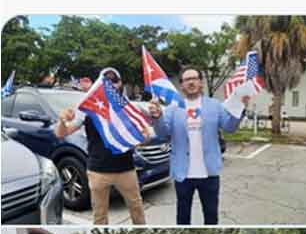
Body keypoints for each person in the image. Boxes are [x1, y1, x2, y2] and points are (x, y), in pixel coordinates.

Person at [148, 67, 251, 225]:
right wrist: (157, 118)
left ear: (201, 82)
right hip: (183, 174)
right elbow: (163, 133)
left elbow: (229, 127)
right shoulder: (173, 108)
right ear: (181, 85)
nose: (191, 82)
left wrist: (241, 108)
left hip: (209, 173)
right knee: (183, 218)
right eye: (186, 79)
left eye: (194, 78)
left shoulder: (215, 105)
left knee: (211, 216)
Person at [54, 67, 147, 224]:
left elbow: (145, 137)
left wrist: (140, 138)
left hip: (126, 169)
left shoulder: (127, 107)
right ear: (99, 84)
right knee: (99, 215)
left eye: (114, 81)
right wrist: (62, 120)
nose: (111, 85)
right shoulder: (88, 108)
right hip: (98, 170)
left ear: (121, 83)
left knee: (137, 209)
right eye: (106, 81)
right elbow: (61, 133)